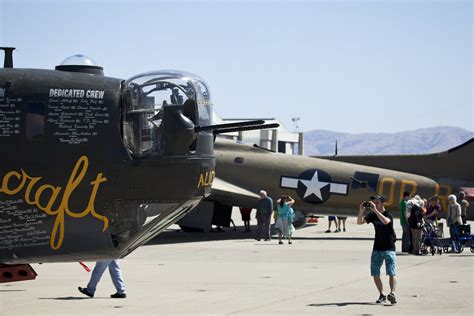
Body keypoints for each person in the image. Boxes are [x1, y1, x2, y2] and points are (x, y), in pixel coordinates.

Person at [357, 195, 397, 304]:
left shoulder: (388, 214)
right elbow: (359, 222)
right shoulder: (372, 215)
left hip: (389, 248)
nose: (375, 203)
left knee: (391, 272)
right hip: (377, 248)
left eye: (378, 202)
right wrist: (361, 211)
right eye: (374, 202)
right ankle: (382, 294)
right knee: (375, 272)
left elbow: (386, 221)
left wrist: (375, 210)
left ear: (383, 203)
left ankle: (392, 293)